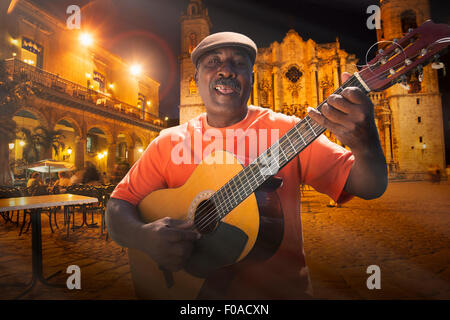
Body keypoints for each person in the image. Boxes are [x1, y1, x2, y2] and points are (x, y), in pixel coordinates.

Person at [106, 32, 387, 299]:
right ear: (196, 78)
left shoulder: (290, 132)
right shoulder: (167, 142)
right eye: (213, 62)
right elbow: (118, 205)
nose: (226, 70)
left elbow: (369, 185)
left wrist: (366, 142)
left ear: (253, 77)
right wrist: (143, 237)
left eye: (238, 63)